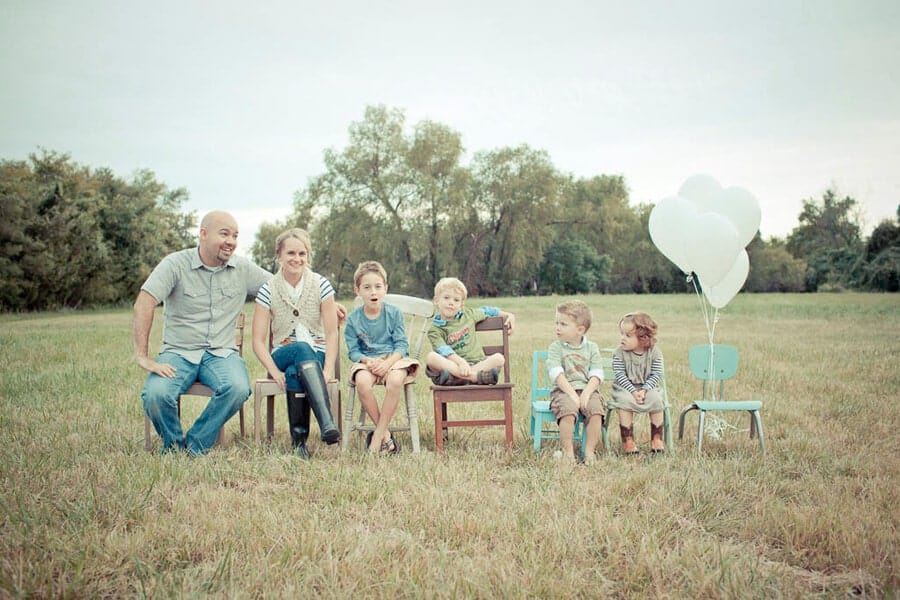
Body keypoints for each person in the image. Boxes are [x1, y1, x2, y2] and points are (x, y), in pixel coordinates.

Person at [133, 210, 270, 455]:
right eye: (225, 233)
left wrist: (326, 300)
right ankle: (174, 446)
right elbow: (145, 302)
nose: (231, 241)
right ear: (204, 234)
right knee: (156, 395)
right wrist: (143, 357)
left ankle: (195, 445)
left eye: (236, 235)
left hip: (221, 354)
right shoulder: (175, 264)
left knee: (238, 388)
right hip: (178, 353)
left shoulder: (243, 268)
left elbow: (282, 289)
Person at [251, 228, 341, 460]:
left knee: (296, 372)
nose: (297, 259)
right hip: (282, 353)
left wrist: (328, 369)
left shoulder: (321, 285)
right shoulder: (267, 290)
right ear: (279, 255)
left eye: (302, 253)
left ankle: (299, 443)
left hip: (317, 353)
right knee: (300, 350)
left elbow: (331, 333)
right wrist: (272, 371)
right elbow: (258, 341)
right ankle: (327, 422)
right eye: (291, 253)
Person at [344, 261, 419, 454]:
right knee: (361, 382)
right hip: (368, 361)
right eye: (367, 288)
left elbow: (402, 345)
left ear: (385, 288)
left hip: (393, 359)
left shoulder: (393, 313)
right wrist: (368, 362)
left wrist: (387, 363)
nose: (373, 292)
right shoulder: (353, 319)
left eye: (378, 287)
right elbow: (353, 351)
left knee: (395, 380)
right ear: (357, 290)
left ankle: (377, 438)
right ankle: (385, 435)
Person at [425, 277, 515, 385]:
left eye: (456, 300)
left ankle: (460, 379)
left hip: (475, 365)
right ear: (436, 300)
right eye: (446, 297)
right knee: (431, 357)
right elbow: (443, 350)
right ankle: (474, 377)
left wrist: (508, 315)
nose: (451, 303)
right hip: (452, 367)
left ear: (461, 305)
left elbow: (488, 311)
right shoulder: (435, 330)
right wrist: (461, 362)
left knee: (499, 358)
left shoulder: (468, 315)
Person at [547, 300, 606, 464]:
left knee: (596, 412)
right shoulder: (556, 347)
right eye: (557, 323)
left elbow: (596, 374)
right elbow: (556, 374)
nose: (557, 327)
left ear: (580, 329)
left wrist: (586, 394)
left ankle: (589, 452)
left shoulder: (592, 348)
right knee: (568, 411)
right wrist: (573, 395)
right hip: (563, 391)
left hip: (588, 390)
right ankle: (568, 452)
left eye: (563, 324)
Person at [609, 311, 666, 454]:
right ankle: (628, 440)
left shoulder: (654, 352)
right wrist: (633, 392)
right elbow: (620, 375)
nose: (622, 338)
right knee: (625, 402)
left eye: (628, 335)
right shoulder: (619, 353)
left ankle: (657, 437)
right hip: (624, 388)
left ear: (643, 338)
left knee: (656, 399)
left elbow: (655, 374)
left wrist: (644, 390)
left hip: (647, 387)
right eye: (621, 334)